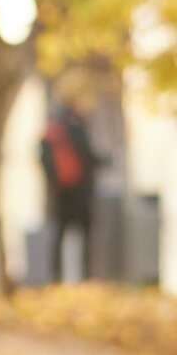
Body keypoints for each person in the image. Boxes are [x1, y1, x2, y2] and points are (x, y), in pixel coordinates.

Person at [40, 99, 100, 281]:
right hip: (79, 192)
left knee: (59, 234)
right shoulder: (77, 129)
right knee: (85, 234)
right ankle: (87, 276)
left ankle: (55, 276)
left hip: (60, 192)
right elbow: (88, 156)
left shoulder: (51, 132)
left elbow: (44, 163)